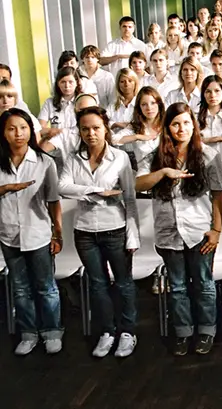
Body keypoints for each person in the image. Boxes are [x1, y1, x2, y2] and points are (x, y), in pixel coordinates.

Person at [135, 103, 222, 355]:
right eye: (175, 124)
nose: (181, 128)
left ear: (193, 125)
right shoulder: (154, 155)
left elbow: (218, 194)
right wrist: (164, 172)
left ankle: (207, 330)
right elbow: (138, 184)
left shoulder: (208, 155)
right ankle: (183, 332)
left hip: (199, 231)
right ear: (167, 127)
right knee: (177, 287)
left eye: (186, 123)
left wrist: (217, 229)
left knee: (204, 283)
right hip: (168, 232)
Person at [58, 106, 139, 358]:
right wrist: (93, 192)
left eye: (96, 128)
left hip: (114, 228)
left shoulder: (119, 157)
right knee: (97, 284)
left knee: (124, 283)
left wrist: (132, 234)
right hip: (84, 230)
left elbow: (129, 197)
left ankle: (128, 332)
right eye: (85, 129)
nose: (91, 133)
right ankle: (107, 331)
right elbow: (62, 186)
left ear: (105, 128)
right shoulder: (73, 158)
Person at [0, 108, 64, 355]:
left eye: (23, 128)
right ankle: (28, 333)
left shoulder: (44, 162)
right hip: (9, 233)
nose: (18, 134)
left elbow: (53, 200)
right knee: (20, 287)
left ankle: (52, 331)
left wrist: (57, 233)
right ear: (3, 133)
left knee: (45, 286)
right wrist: (4, 189)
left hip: (37, 233)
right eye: (12, 129)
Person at [111, 86, 164, 166]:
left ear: (159, 104)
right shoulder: (135, 127)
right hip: (144, 174)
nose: (149, 108)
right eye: (144, 104)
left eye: (153, 103)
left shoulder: (168, 124)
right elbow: (113, 139)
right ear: (139, 107)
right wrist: (137, 137)